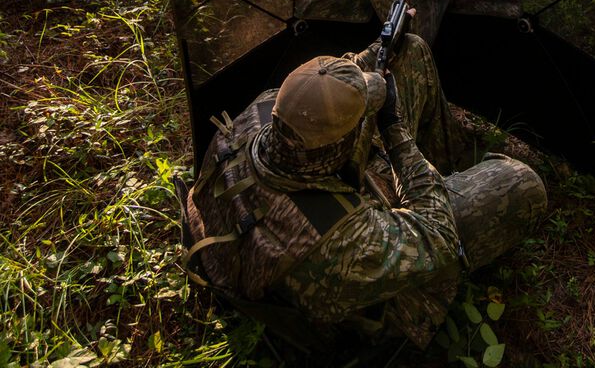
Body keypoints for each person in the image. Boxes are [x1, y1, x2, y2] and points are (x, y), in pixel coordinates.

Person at [183, 26, 547, 351]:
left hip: (299, 196)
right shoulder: (343, 245)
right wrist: (395, 133)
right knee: (521, 183)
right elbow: (439, 236)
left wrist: (381, 46)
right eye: (361, 123)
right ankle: (443, 178)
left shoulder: (262, 111)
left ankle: (442, 163)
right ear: (340, 147)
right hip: (358, 282)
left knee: (412, 49)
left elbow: (325, 88)